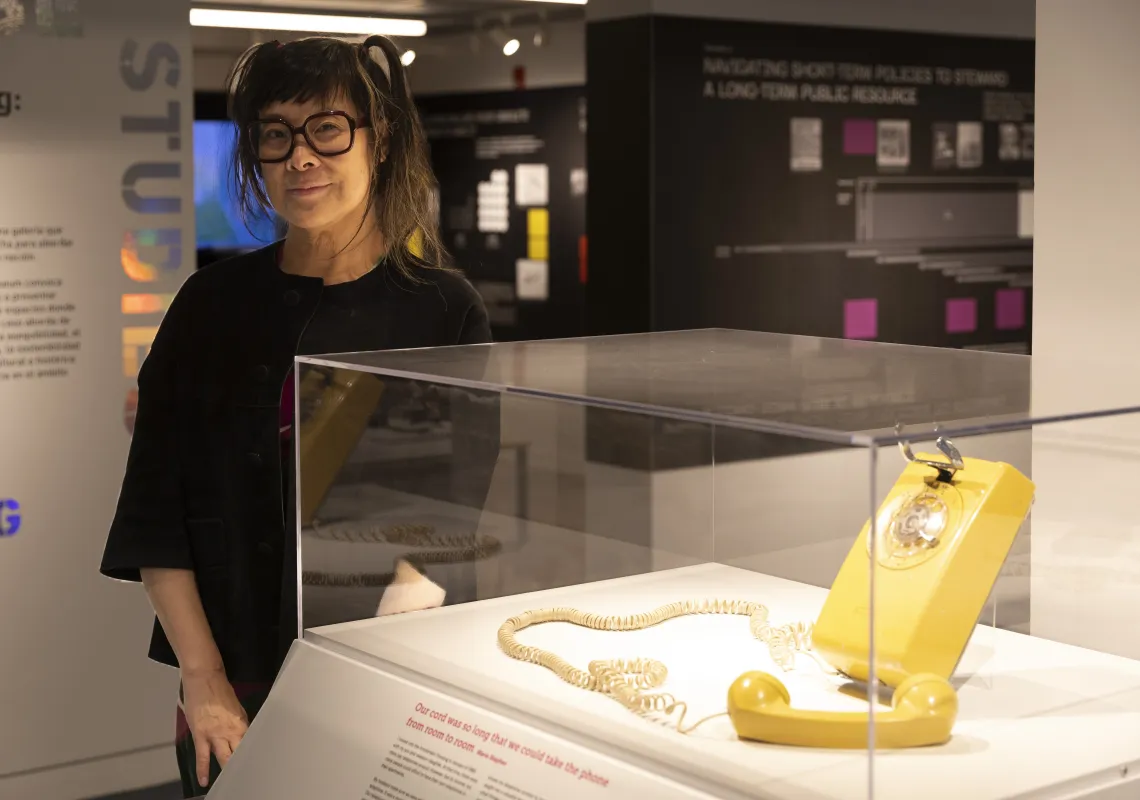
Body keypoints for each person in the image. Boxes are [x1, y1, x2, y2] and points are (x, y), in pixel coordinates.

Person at [99, 34, 493, 797]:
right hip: (227, 685)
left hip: (381, 678)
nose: (300, 156)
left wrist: (366, 681)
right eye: (276, 134)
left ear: (378, 144)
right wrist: (205, 681)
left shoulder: (443, 310)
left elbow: (451, 519)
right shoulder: (208, 307)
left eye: (327, 128)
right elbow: (156, 511)